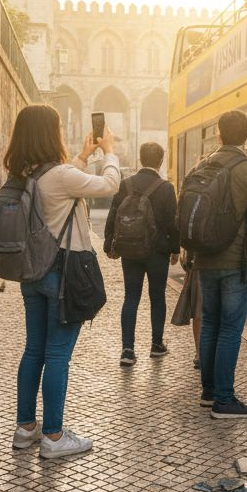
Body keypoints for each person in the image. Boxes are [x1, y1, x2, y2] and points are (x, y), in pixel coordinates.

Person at [4, 104, 121, 458]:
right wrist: (110, 152)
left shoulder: (22, 174)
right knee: (57, 355)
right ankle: (54, 437)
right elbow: (110, 185)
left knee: (33, 350)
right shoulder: (60, 175)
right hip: (61, 274)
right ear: (49, 134)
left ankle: (26, 428)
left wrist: (83, 156)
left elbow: (62, 185)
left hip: (31, 274)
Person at [193, 110, 247, 418]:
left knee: (210, 322)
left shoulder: (201, 165)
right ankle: (224, 401)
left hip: (205, 259)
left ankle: (209, 391)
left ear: (218, 133)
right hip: (236, 260)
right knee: (229, 327)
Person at [104, 141, 180, 367]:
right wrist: (175, 248)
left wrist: (110, 244)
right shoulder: (166, 188)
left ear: (140, 159)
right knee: (157, 298)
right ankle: (157, 346)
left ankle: (127, 350)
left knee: (131, 298)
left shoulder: (125, 184)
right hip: (158, 252)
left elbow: (113, 215)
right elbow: (172, 223)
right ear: (161, 160)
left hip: (130, 250)